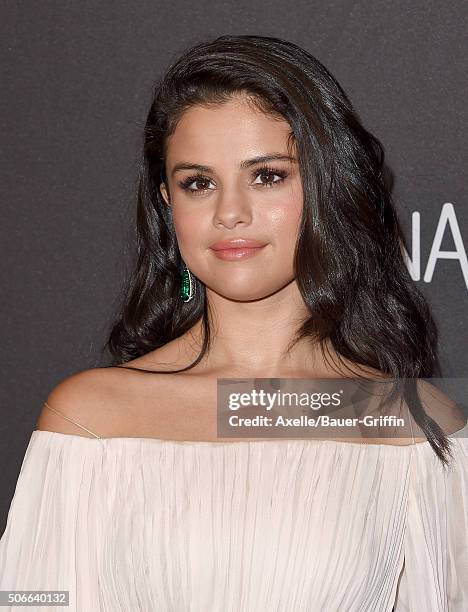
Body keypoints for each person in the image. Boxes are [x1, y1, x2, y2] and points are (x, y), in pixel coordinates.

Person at [0, 34, 467, 611]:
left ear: (328, 187)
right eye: (198, 183)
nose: (230, 212)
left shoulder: (415, 428)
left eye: (267, 175)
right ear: (167, 205)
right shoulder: (91, 418)